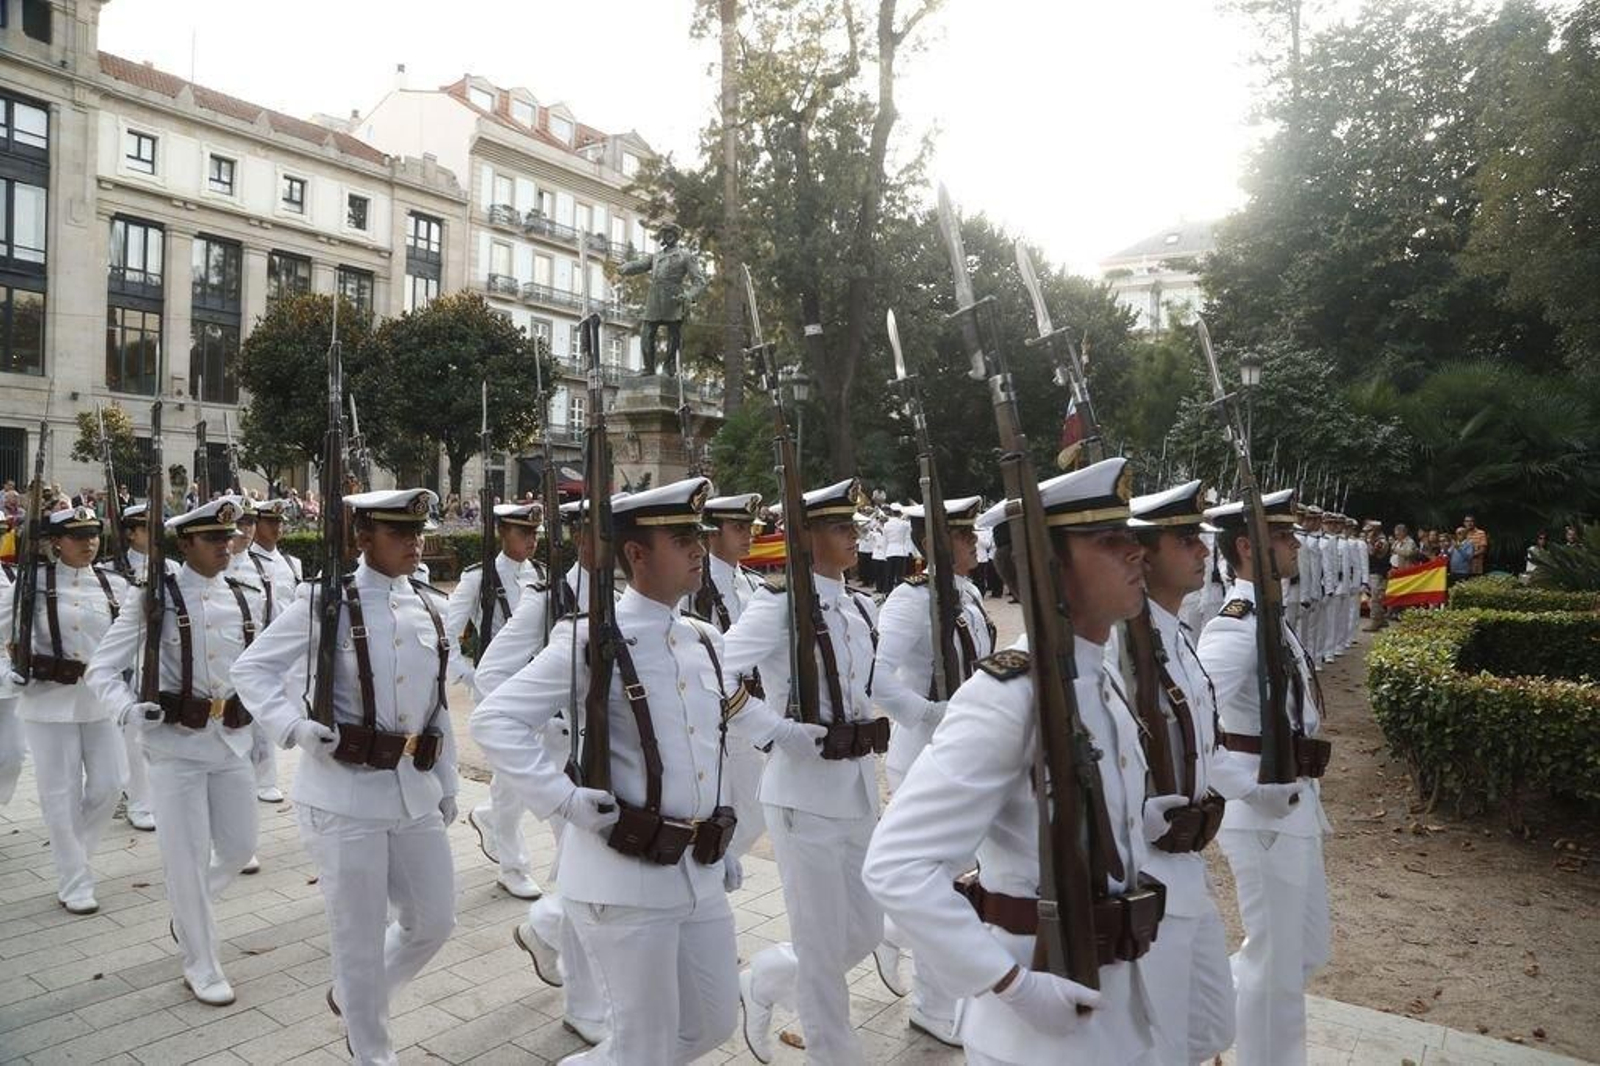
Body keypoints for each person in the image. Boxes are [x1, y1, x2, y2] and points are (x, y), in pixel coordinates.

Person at [864, 457, 1164, 1064]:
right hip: (1037, 1029)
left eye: (1131, 537)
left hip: (1114, 1005)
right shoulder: (1010, 697)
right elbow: (897, 865)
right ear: (1050, 568)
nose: (1136, 553)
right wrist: (1012, 986)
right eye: (1110, 541)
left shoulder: (1096, 677)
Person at [473, 478, 741, 1066]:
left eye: (697, 535)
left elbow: (709, 747)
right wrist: (562, 800)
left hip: (697, 867)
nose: (698, 548)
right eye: (680, 538)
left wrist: (726, 835)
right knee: (645, 1043)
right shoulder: (590, 638)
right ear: (636, 555)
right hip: (624, 875)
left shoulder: (707, 640)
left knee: (713, 1023)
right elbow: (494, 719)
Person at [231, 488, 461, 1065]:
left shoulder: (430, 605)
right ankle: (372, 1052)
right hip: (344, 793)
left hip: (413, 789)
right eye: (399, 533)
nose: (415, 542)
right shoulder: (325, 601)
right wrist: (292, 727)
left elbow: (436, 705)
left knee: (434, 921)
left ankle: (356, 995)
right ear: (363, 538)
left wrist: (449, 779)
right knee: (357, 939)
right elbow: (252, 668)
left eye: (417, 531)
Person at [722, 477, 883, 1065]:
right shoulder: (778, 605)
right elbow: (719, 674)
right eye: (842, 528)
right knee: (820, 946)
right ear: (808, 537)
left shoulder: (859, 605)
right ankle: (831, 1052)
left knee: (866, 927)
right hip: (803, 795)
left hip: (859, 787)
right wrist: (775, 731)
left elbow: (869, 685)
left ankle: (767, 977)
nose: (855, 537)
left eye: (854, 527)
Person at [86, 496, 265, 1006]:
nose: (226, 547)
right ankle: (201, 962)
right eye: (213, 539)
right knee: (184, 860)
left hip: (230, 739)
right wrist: (125, 708)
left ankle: (190, 913)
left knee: (236, 848)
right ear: (185, 543)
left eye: (229, 538)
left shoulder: (243, 595)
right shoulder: (153, 598)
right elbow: (102, 669)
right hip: (174, 746)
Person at [1106, 480, 1258, 1064]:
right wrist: (1133, 816)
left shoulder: (1179, 638)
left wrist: (1257, 789)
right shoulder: (1118, 649)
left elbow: (1203, 745)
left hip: (1189, 868)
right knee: (1159, 1043)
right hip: (1144, 874)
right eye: (1186, 539)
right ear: (1144, 554)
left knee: (1212, 1026)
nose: (1202, 550)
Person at [472, 496, 613, 1047]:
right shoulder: (551, 600)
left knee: (581, 876)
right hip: (560, 765)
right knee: (581, 876)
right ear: (580, 539)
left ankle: (547, 934)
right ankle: (582, 1000)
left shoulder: (616, 599)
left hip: (595, 767)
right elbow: (491, 676)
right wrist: (545, 725)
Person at [1198, 489, 1332, 1066]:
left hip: (1295, 801)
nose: (1296, 544)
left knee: (1303, 949)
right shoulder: (1233, 628)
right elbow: (1191, 731)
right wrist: (1250, 789)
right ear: (1249, 548)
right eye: (1283, 536)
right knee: (1277, 963)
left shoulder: (1270, 615)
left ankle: (1210, 1016)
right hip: (1265, 810)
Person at [866, 494, 995, 1045]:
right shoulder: (909, 598)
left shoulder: (966, 593)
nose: (973, 545)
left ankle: (892, 933)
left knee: (961, 876)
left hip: (964, 755)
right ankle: (932, 1003)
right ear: (934, 544)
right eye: (963, 537)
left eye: (971, 535)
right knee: (941, 882)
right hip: (923, 751)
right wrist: (928, 712)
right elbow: (875, 677)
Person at [1, 506, 132, 914]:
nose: (88, 542)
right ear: (56, 542)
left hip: (100, 699)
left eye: (93, 534)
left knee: (110, 784)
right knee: (60, 793)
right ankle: (74, 878)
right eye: (77, 536)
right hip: (48, 698)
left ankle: (77, 855)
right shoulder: (31, 583)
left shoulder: (115, 584)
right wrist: (10, 674)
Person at [448, 502, 543, 900]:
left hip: (536, 690)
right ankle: (513, 864)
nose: (532, 542)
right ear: (504, 532)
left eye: (536, 534)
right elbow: (447, 636)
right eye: (524, 533)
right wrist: (471, 678)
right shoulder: (478, 579)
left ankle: (489, 817)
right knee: (514, 775)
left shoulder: (540, 576)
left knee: (521, 775)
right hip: (497, 692)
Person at [689, 492, 769, 881]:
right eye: (738, 527)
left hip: (744, 712)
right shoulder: (694, 585)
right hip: (706, 714)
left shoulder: (752, 584)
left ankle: (713, 870)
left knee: (753, 812)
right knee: (706, 811)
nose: (748, 535)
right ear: (712, 533)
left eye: (749, 527)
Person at [229, 498, 302, 806]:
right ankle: (244, 775)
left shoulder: (290, 563)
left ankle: (266, 777)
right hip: (247, 644)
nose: (277, 528)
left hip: (280, 649)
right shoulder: (249, 562)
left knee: (266, 715)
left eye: (279, 522)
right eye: (270, 522)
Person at [616, 222, 708, 376]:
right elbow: (640, 265)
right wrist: (626, 267)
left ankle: (669, 367)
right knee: (646, 334)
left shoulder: (685, 256)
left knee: (674, 334)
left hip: (674, 298)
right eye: (666, 233)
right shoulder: (656, 256)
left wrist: (688, 296)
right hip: (655, 297)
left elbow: (700, 282)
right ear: (663, 236)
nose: (669, 235)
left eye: (672, 233)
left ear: (677, 236)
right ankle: (648, 368)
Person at [881, 504, 913, 591]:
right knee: (900, 576)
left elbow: (885, 541)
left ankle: (887, 592)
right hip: (901, 552)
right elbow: (911, 526)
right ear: (900, 513)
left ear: (891, 512)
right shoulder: (904, 524)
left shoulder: (886, 525)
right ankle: (899, 593)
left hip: (890, 551)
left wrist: (884, 554)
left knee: (889, 576)